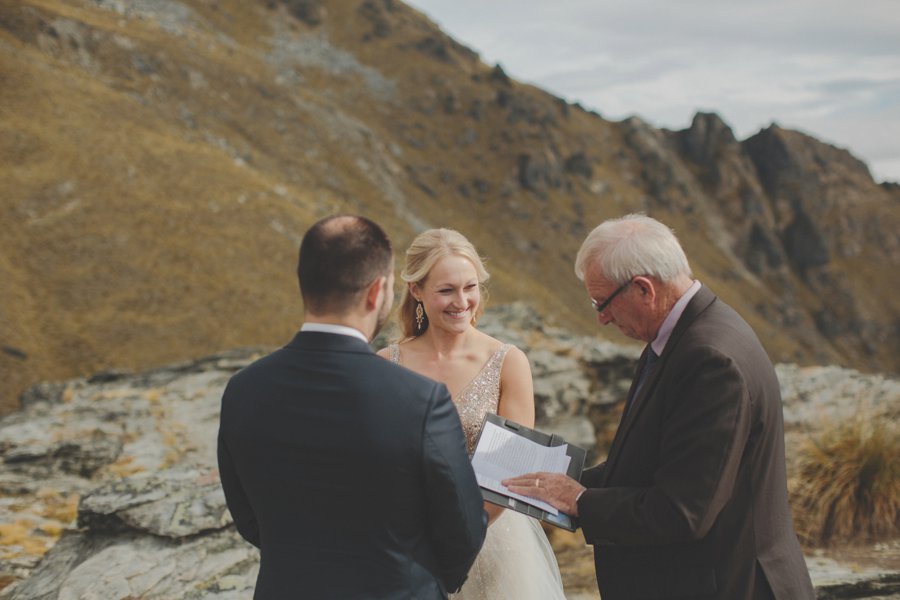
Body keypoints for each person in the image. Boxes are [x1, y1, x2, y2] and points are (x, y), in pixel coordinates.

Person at [504, 214, 815, 600]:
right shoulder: (678, 337)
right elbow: (652, 462)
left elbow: (682, 511)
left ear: (643, 289)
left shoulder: (710, 361)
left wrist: (579, 500)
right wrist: (560, 477)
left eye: (602, 303)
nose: (601, 319)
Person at [217, 215, 487, 599]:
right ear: (377, 292)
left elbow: (248, 517)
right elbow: (464, 527)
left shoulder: (242, 390)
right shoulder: (421, 401)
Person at [377, 228, 567, 600]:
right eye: (446, 290)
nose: (462, 301)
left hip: (493, 541)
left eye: (471, 287)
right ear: (416, 290)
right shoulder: (386, 364)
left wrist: (456, 540)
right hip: (410, 544)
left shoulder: (508, 362)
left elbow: (512, 471)